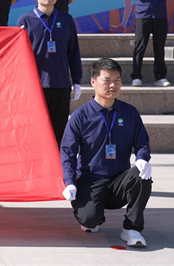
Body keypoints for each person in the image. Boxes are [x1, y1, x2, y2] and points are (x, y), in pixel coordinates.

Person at [61, 57, 152, 248]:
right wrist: (69, 182)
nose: (113, 85)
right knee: (89, 220)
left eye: (117, 80)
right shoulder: (80, 116)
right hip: (90, 181)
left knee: (141, 175)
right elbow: (68, 152)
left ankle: (132, 228)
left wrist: (142, 159)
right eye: (107, 80)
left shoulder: (129, 113)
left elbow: (142, 142)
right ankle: (92, 217)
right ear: (93, 82)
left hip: (119, 180)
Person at [17, 0, 83, 145]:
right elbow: (18, 57)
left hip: (61, 84)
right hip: (36, 85)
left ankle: (58, 162)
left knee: (59, 131)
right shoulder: (25, 21)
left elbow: (73, 52)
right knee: (36, 130)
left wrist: (76, 81)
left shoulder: (66, 20)